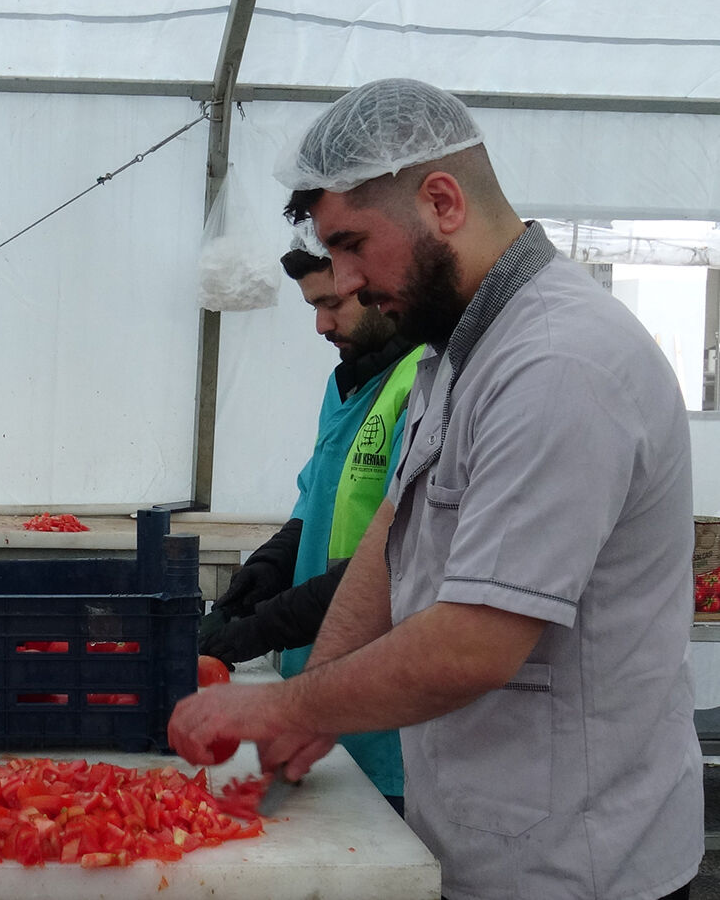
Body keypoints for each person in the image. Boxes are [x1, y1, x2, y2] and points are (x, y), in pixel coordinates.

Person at [169, 78, 701, 900]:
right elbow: (394, 534)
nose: (346, 279)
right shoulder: (455, 352)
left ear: (443, 202)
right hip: (483, 832)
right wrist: (317, 706)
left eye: (352, 244)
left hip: (577, 865)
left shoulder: (558, 362)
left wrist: (284, 708)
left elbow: (474, 642)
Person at [198, 240, 419, 811]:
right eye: (313, 307)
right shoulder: (345, 385)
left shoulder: (420, 386)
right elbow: (317, 501)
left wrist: (263, 628)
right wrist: (269, 568)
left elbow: (399, 562)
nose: (321, 326)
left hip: (384, 716)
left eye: (332, 304)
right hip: (314, 698)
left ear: (373, 285)